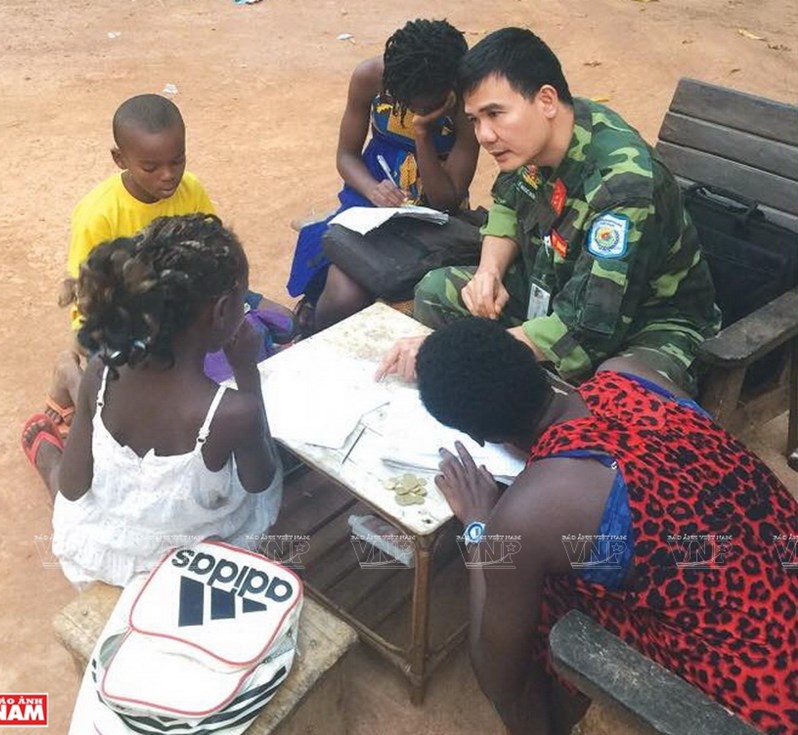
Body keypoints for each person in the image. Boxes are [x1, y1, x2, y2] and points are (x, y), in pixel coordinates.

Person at [415, 317, 797, 735]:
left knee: (533, 593)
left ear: (476, 434)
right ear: (528, 357)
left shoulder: (530, 513)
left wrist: (480, 529)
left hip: (766, 691)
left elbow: (498, 680)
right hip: (777, 561)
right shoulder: (629, 373)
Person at [380, 28, 720, 395]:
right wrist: (489, 272)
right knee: (437, 291)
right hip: (556, 285)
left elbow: (585, 331)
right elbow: (507, 203)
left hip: (644, 326)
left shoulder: (622, 191)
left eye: (494, 113)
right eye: (475, 119)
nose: (484, 135)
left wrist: (455, 351)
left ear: (546, 100)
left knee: (617, 393)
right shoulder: (541, 134)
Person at [22, 214, 283, 587]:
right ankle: (50, 450)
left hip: (99, 561)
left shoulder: (102, 369)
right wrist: (246, 372)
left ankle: (55, 431)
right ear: (223, 310)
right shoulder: (233, 411)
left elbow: (75, 488)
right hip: (189, 573)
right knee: (265, 487)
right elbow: (260, 482)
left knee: (75, 478)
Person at [44, 93, 291, 434]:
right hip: (127, 316)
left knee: (285, 321)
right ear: (120, 159)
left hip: (190, 301)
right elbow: (91, 295)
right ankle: (70, 377)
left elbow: (214, 254)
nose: (168, 175)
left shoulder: (191, 190)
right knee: (152, 399)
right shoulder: (98, 214)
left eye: (178, 161)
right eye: (151, 167)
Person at [286, 18, 479, 333]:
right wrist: (373, 189)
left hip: (431, 216)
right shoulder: (369, 77)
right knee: (344, 295)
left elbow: (446, 200)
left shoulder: (468, 102)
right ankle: (312, 336)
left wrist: (422, 134)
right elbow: (346, 156)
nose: (415, 110)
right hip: (369, 201)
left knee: (384, 287)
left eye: (427, 106)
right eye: (406, 101)